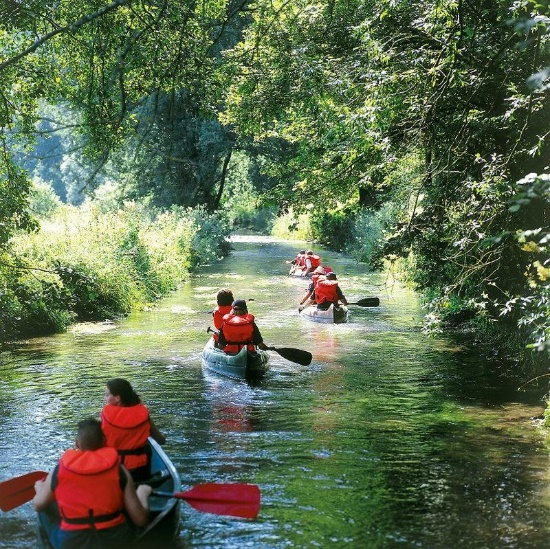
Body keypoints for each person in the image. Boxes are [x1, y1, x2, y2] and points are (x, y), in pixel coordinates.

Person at [33, 418, 152, 549]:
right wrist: (142, 493)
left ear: (77, 444)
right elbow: (140, 520)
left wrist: (40, 488)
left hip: (72, 542)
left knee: (44, 508)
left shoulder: (59, 469)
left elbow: (38, 505)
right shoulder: (119, 469)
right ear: (104, 442)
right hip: (114, 540)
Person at [101, 378, 166, 482]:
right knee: (147, 448)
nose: (105, 398)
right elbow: (161, 440)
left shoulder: (106, 414)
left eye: (107, 395)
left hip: (114, 467)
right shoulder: (143, 413)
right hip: (138, 469)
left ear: (117, 398)